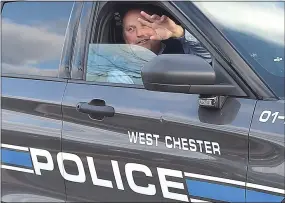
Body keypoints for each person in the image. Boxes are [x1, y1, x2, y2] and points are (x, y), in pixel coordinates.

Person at [107, 5, 212, 84]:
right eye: (130, 29)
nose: (139, 34)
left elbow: (208, 59)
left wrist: (178, 31)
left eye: (144, 25)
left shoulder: (181, 47)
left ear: (157, 27)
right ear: (124, 38)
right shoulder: (119, 71)